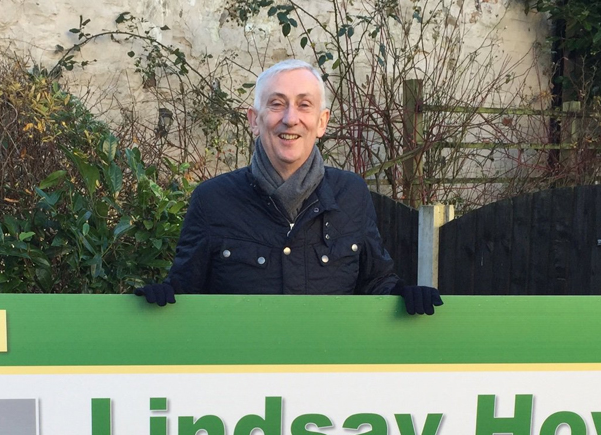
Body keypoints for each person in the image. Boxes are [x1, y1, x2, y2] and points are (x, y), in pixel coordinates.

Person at [136, 59, 442, 315]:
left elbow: (376, 283)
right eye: (277, 104)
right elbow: (186, 293)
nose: (290, 118)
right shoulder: (212, 199)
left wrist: (402, 294)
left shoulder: (352, 194)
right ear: (254, 120)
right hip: (242, 379)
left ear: (322, 123)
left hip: (327, 375)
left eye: (304, 105)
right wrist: (162, 298)